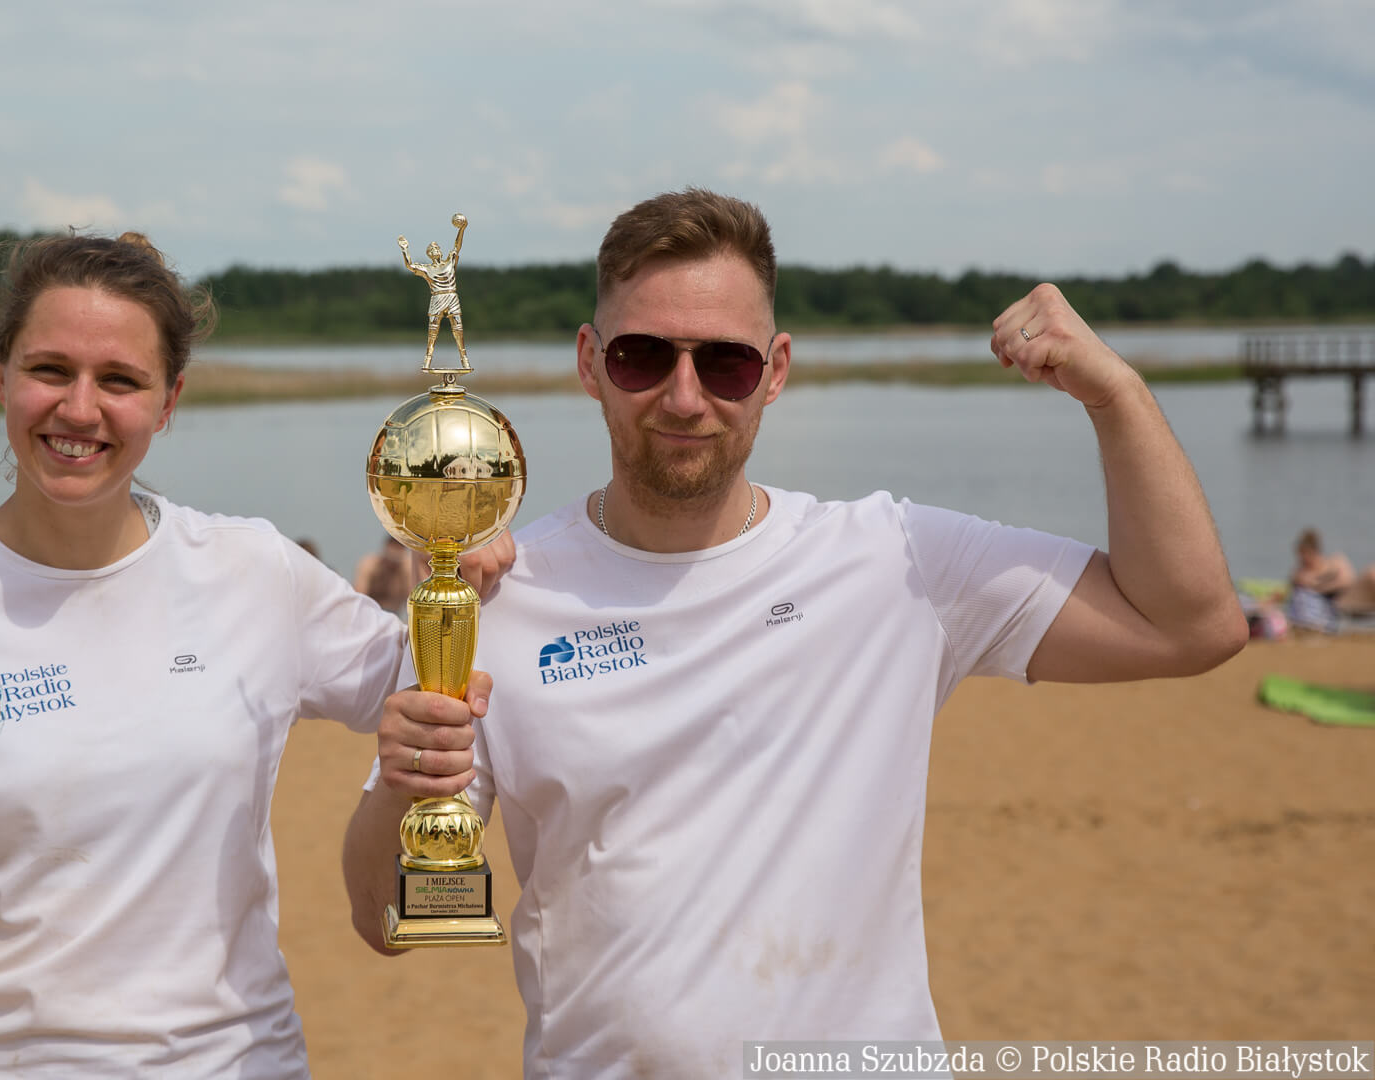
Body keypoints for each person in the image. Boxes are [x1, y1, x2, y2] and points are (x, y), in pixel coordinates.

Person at [343, 189, 1247, 1077]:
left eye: (726, 364)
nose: (685, 397)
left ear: (776, 370)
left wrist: (1115, 395)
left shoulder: (897, 562)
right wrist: (401, 778)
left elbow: (1192, 626)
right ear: (590, 362)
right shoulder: (499, 596)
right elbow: (382, 919)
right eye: (642, 355)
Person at [0, 231, 510, 1078]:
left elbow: (438, 691)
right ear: (0, 374)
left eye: (119, 380)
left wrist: (471, 563)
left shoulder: (254, 572)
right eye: (50, 370)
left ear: (168, 401)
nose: (80, 410)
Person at [398, 213, 468, 369]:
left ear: (440, 252)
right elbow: (410, 266)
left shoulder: (450, 261)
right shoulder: (427, 269)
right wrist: (404, 249)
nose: (435, 250)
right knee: (433, 330)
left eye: (437, 248)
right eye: (432, 249)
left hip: (451, 296)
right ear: (429, 254)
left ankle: (464, 359)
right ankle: (428, 360)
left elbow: (457, 246)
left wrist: (462, 229)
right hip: (436, 298)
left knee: (458, 328)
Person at [1290, 527, 1375, 615]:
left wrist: (1320, 585)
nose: (1302, 560)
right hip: (1340, 604)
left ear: (1313, 552)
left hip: (1352, 594)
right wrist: (1331, 582)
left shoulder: (1336, 560)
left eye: (1303, 555)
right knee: (1372, 575)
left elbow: (1347, 580)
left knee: (1372, 571)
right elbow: (1343, 581)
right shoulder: (1301, 573)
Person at [352, 533, 415, 613]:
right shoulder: (369, 565)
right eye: (391, 559)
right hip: (370, 613)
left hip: (394, 615)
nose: (392, 565)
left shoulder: (407, 568)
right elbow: (359, 597)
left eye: (396, 561)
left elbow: (413, 601)